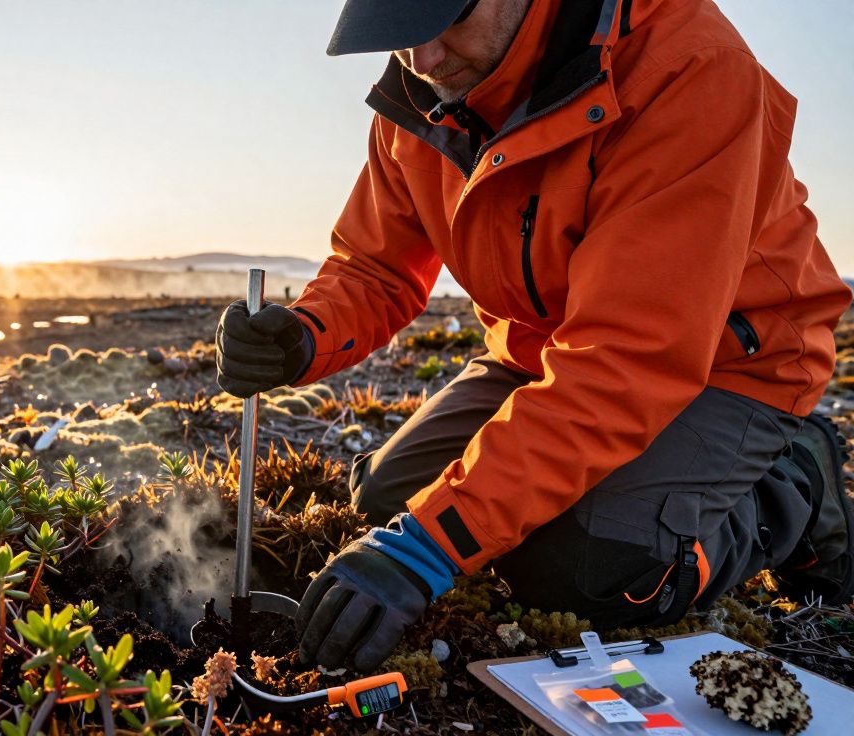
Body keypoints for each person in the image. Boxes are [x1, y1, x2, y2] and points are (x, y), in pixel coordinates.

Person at [214, 0, 854, 673]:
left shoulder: (688, 69)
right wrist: (303, 333)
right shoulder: (427, 84)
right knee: (387, 503)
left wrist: (431, 548)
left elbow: (625, 360)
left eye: (443, 25)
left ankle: (795, 489)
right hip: (543, 351)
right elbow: (378, 265)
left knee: (582, 571)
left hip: (731, 364)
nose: (421, 60)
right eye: (397, 36)